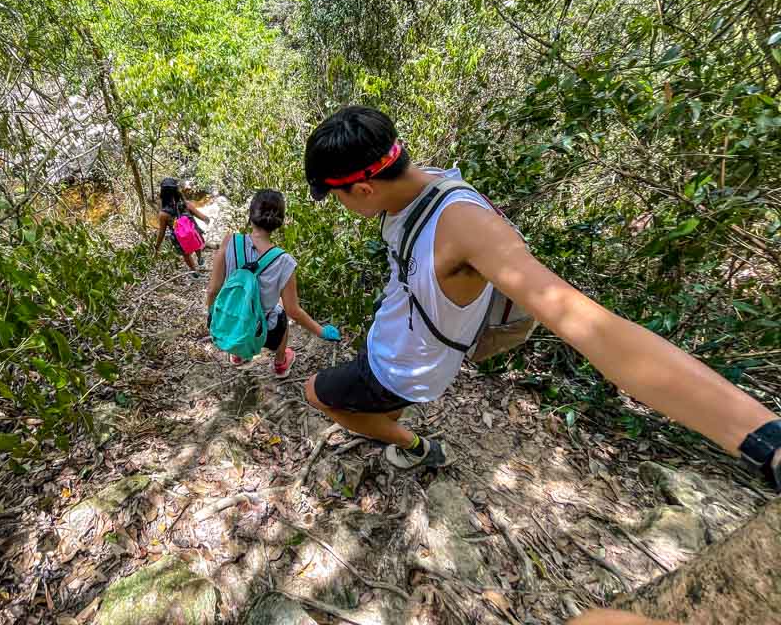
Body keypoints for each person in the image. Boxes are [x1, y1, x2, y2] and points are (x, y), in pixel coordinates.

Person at [301, 105, 781, 486]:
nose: (341, 206)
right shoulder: (415, 184)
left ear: (362, 190)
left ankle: (417, 448)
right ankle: (394, 425)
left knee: (316, 394)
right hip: (406, 349)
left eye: (338, 197)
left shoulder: (464, 226)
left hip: (402, 365)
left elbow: (593, 327)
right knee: (380, 408)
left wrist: (763, 438)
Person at [205, 189, 341, 377]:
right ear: (279, 222)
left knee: (239, 308)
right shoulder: (285, 261)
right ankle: (280, 363)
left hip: (232, 326)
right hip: (262, 332)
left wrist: (212, 316)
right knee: (280, 311)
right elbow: (294, 312)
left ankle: (238, 354)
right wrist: (321, 331)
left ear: (251, 215)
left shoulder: (230, 241)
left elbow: (213, 290)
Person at [154, 177, 209, 278]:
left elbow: (161, 233)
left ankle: (194, 271)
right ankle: (200, 258)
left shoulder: (163, 214)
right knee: (196, 242)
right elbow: (201, 216)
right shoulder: (186, 204)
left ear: (163, 194)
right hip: (193, 233)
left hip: (179, 238)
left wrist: (157, 246)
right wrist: (207, 219)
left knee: (186, 254)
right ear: (176, 191)